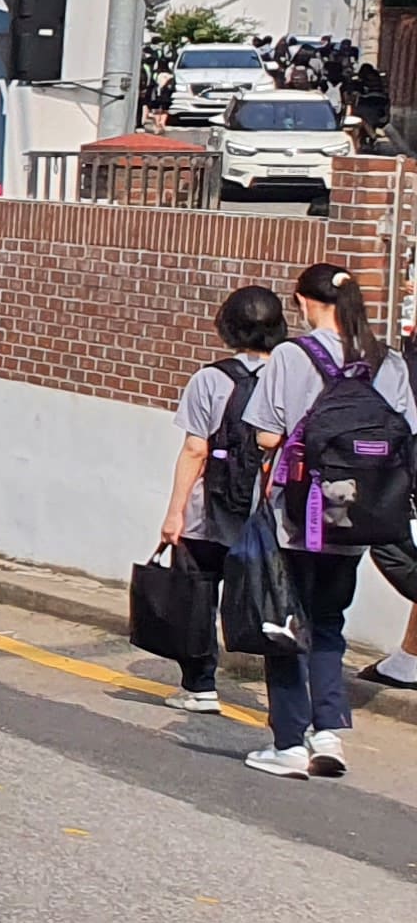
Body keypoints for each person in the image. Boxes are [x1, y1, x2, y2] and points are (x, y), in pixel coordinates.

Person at [240, 262, 415, 779]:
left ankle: (290, 744)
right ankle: (329, 733)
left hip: (297, 516)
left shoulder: (293, 356)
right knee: (330, 624)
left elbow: (267, 434)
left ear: (303, 302)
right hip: (360, 516)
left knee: (284, 622)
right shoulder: (388, 361)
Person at [156, 284, 284, 717]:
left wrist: (174, 513)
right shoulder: (290, 378)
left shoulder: (210, 378)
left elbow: (196, 449)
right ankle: (283, 697)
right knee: (268, 601)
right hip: (266, 514)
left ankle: (201, 685)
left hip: (207, 511)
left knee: (198, 595)